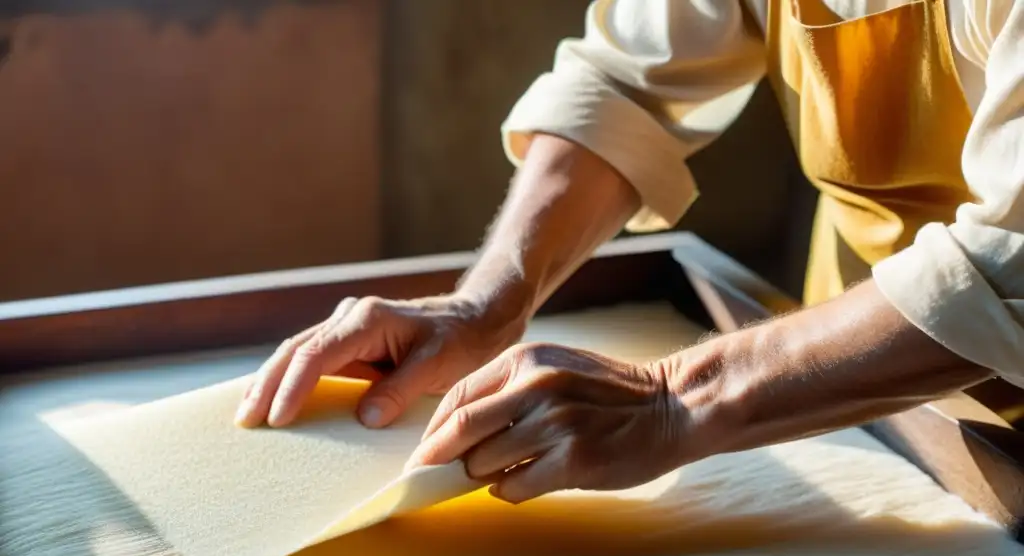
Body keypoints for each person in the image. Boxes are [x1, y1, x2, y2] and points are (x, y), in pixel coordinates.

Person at [235, 0, 1024, 504]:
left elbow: (1007, 261)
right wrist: (485, 303)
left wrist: (674, 401)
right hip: (861, 370)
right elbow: (627, 86)